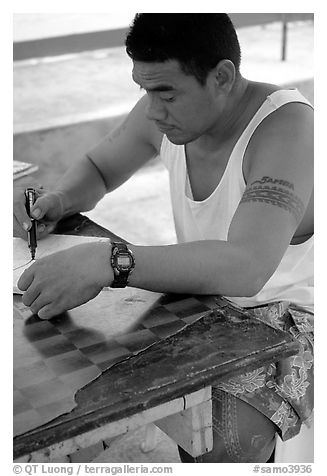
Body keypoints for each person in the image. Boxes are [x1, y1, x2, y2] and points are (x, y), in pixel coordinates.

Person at [13, 14, 313, 463]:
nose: (152, 110)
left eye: (166, 92)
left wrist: (111, 262)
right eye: (144, 90)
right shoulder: (168, 113)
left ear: (223, 77)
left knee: (224, 441)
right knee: (65, 376)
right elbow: (99, 169)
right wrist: (57, 200)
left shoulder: (286, 128)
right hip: (206, 301)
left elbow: (248, 266)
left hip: (292, 317)